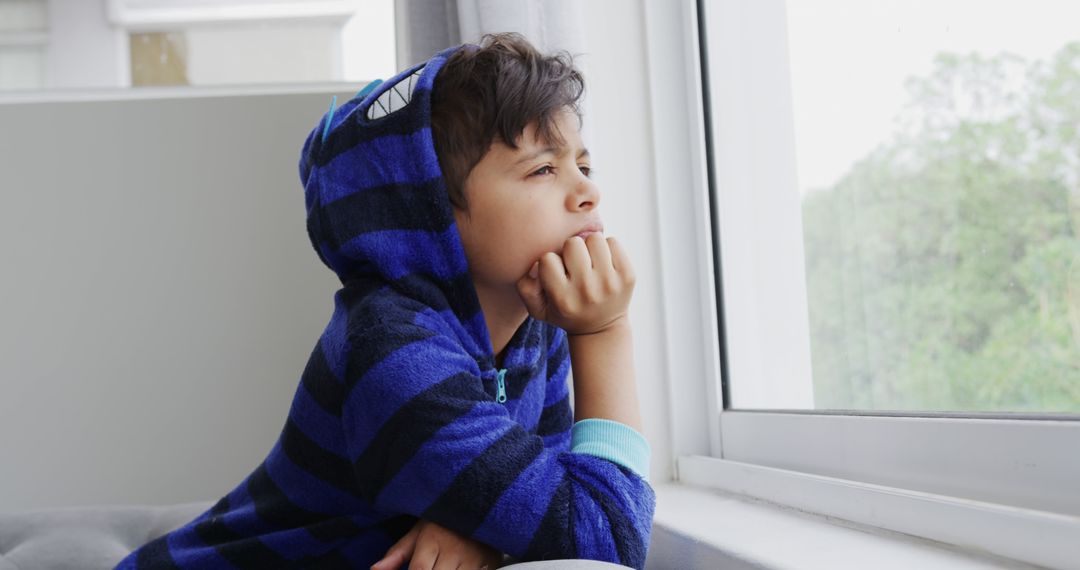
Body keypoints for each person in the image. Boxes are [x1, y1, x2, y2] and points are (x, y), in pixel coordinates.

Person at [115, 32, 655, 570]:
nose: (588, 191)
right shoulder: (393, 353)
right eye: (543, 169)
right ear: (432, 211)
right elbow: (606, 535)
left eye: (584, 166)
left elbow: (562, 496)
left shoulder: (539, 331)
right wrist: (605, 333)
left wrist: (480, 528)